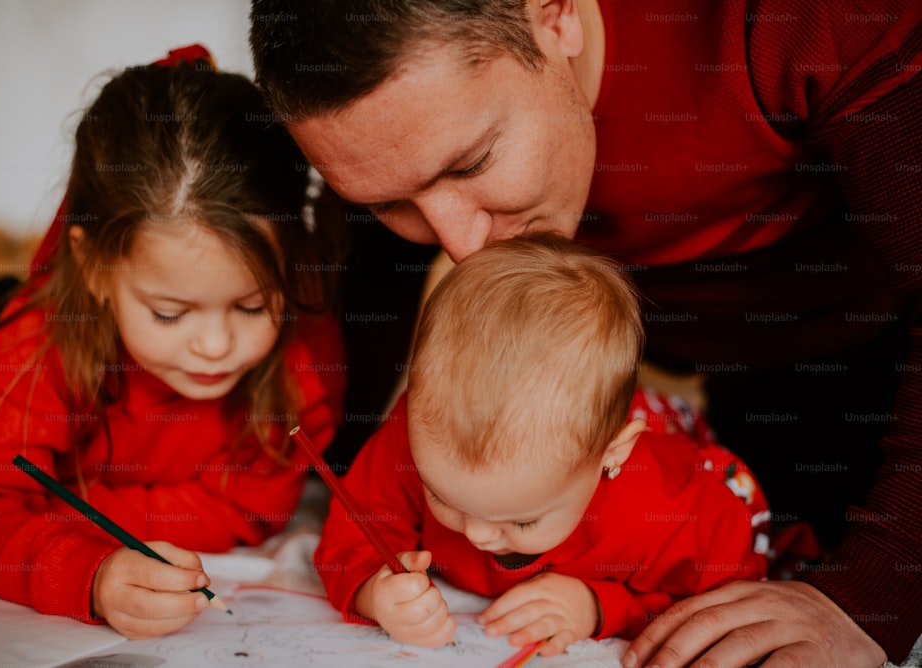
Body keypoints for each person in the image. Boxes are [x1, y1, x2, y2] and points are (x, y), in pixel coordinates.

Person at [250, 2, 922, 665]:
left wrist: (868, 596)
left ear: (556, 15)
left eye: (473, 162)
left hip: (882, 374)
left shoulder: (808, 20)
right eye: (387, 204)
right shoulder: (406, 134)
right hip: (737, 394)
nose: (460, 248)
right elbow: (379, 284)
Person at [0, 46, 345, 640]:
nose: (216, 344)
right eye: (170, 313)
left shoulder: (301, 357)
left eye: (252, 305)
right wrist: (89, 574)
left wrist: (43, 515)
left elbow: (251, 506)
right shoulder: (38, 347)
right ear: (95, 268)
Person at [315, 234, 770, 656]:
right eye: (440, 495)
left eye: (523, 519)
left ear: (612, 455)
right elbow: (352, 533)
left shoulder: (672, 510)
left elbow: (729, 605)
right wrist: (373, 593)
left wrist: (599, 604)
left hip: (673, 436)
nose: (475, 534)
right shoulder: (418, 436)